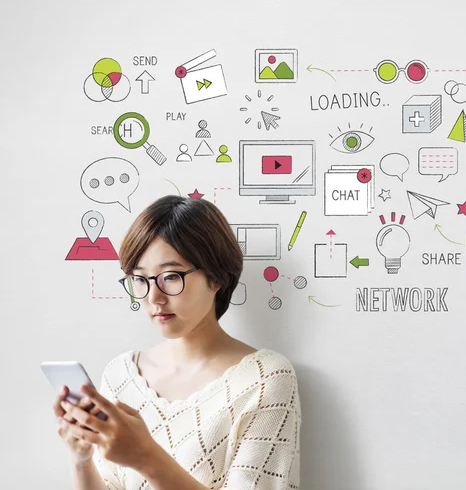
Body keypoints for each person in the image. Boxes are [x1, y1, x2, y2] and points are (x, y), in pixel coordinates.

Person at [52, 195, 301, 489]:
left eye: (170, 277)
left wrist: (145, 456)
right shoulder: (120, 376)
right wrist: (80, 458)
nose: (154, 297)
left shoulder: (265, 378)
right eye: (141, 279)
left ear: (216, 276)